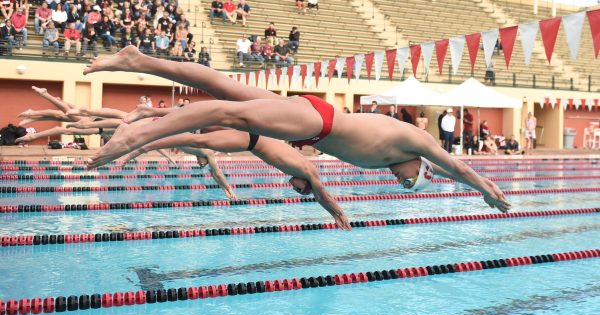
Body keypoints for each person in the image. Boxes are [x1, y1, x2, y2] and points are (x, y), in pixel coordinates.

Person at [82, 46, 510, 213]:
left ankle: (138, 61)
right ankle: (135, 136)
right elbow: (455, 166)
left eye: (404, 185)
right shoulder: (415, 140)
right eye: (409, 181)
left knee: (218, 84)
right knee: (229, 113)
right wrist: (486, 188)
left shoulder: (388, 159)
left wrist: (331, 207)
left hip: (308, 125)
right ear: (421, 168)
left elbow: (317, 179)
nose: (401, 181)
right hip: (318, 121)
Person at [118, 126, 350, 229]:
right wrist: (338, 214)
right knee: (198, 141)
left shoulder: (297, 171)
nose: (295, 190)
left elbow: (215, 171)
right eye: (300, 190)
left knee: (198, 134)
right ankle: (138, 146)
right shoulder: (308, 172)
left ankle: (144, 133)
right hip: (251, 140)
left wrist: (227, 189)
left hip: (251, 139)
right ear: (306, 183)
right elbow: (323, 195)